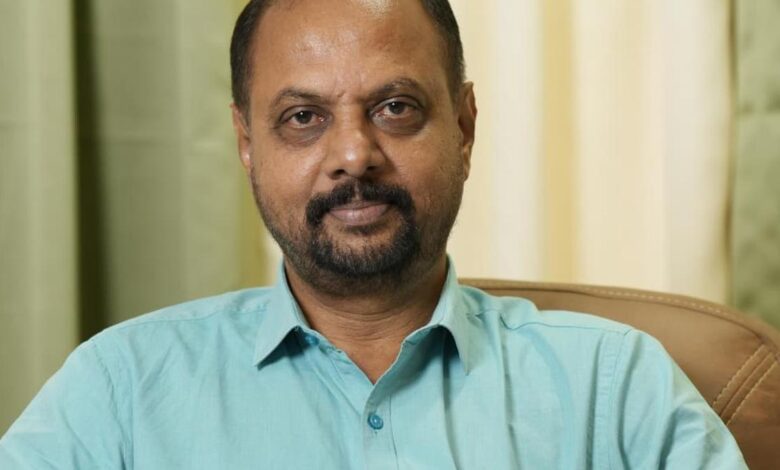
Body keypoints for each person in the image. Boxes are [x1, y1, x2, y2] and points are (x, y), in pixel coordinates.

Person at [0, 0, 747, 468]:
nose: (354, 155)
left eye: (395, 108)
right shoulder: (120, 391)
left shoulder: (616, 389)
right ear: (247, 144)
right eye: (303, 118)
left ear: (464, 128)